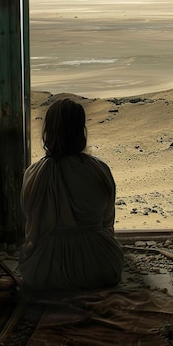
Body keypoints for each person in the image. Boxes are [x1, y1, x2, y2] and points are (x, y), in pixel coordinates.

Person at [19, 97, 124, 291]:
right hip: (100, 268)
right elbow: (107, 221)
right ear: (81, 131)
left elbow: (33, 224)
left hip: (45, 271)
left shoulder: (34, 174)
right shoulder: (99, 170)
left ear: (47, 131)